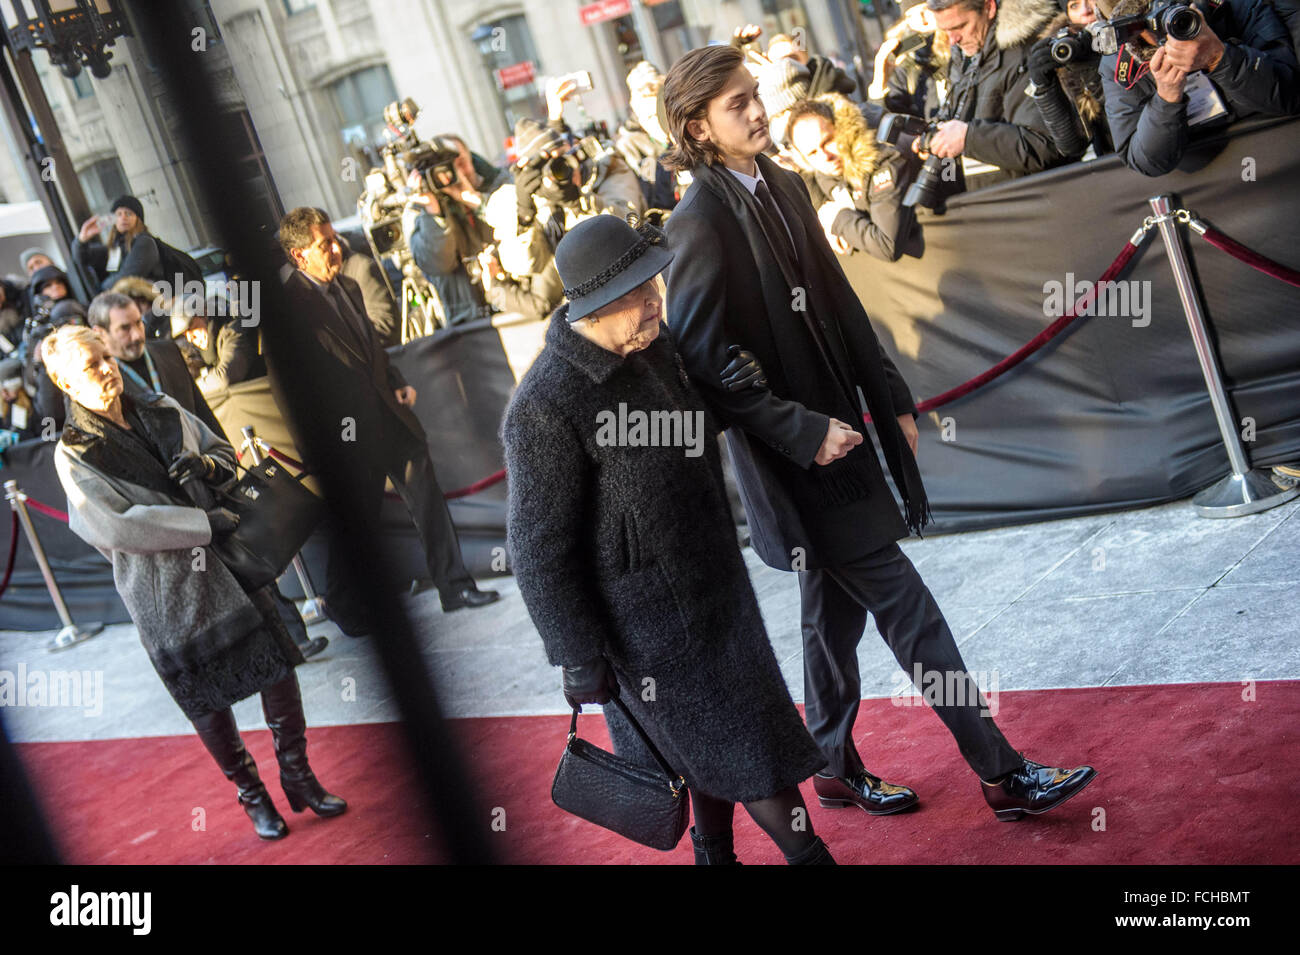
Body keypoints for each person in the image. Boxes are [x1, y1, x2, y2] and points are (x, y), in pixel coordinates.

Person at [659, 44, 1097, 823]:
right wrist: (802, 432)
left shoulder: (786, 184)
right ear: (698, 127)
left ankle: (829, 763)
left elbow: (841, 303)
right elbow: (701, 359)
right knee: (910, 610)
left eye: (756, 94)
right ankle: (1000, 772)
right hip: (795, 464)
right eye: (738, 104)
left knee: (832, 617)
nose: (759, 110)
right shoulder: (696, 220)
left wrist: (891, 399)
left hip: (843, 445)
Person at [502, 214, 833, 864]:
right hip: (644, 630)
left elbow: (682, 436)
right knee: (752, 752)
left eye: (654, 285)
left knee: (710, 751)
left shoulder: (652, 345)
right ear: (595, 307)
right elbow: (538, 551)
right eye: (637, 295)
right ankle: (811, 856)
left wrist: (728, 397)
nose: (657, 301)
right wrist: (575, 652)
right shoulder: (543, 404)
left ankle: (714, 856)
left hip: (714, 591)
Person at [43, 324, 345, 840]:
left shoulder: (160, 406)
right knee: (207, 700)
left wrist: (206, 464)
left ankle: (299, 775)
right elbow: (116, 525)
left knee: (278, 670)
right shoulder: (72, 453)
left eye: (106, 357)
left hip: (231, 565)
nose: (107, 369)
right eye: (91, 366)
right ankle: (253, 798)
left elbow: (223, 453)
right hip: (165, 590)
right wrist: (202, 525)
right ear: (67, 384)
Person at [275, 207, 499, 630]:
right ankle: (343, 606)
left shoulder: (347, 287)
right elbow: (288, 391)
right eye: (324, 244)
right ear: (300, 256)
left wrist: (396, 379)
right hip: (347, 438)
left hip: (390, 419)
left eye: (333, 239)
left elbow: (371, 349)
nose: (336, 248)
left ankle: (455, 586)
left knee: (428, 500)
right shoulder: (287, 310)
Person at [87, 291, 328, 661]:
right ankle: (258, 652)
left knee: (251, 561)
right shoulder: (103, 388)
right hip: (170, 504)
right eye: (124, 329)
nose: (136, 334)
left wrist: (223, 457)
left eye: (138, 323)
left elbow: (200, 411)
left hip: (207, 475)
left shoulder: (167, 351)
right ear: (100, 333)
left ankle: (292, 640)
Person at [1095, 0, 1298, 176]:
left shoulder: (1233, 7)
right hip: (1219, 180)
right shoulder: (1118, 62)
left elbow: (1291, 93)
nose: (1163, 34)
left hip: (1283, 149)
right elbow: (1143, 160)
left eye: (1164, 16)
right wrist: (1166, 98)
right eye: (1145, 25)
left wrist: (1218, 58)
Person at [924, 0, 1079, 190]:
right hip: (990, 203)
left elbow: (1047, 146)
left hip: (1031, 203)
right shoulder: (965, 57)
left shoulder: (1027, 52)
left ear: (989, 8)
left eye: (960, 26)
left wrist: (968, 138)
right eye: (945, 30)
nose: (952, 39)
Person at [785, 94, 922, 261]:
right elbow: (818, 182)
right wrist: (825, 217)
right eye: (812, 153)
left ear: (843, 129)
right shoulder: (825, 167)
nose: (825, 156)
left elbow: (887, 246)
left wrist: (838, 219)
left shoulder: (882, 159)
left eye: (828, 141)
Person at [1026, 0, 1113, 157]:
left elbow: (1132, 123)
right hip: (1113, 164)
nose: (1085, 10)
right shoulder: (1065, 53)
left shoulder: (1136, 38)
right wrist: (1045, 89)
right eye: (1074, 5)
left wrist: (1098, 74)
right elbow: (1072, 146)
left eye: (1093, 1)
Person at [614, 61, 680, 212]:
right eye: (650, 117)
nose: (659, 123)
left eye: (662, 114)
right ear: (638, 116)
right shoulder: (629, 147)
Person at [73, 195, 165, 292]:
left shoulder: (144, 242)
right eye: (118, 214)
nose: (123, 217)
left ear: (138, 219)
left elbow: (127, 277)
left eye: (129, 213)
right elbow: (82, 258)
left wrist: (101, 290)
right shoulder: (116, 246)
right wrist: (82, 239)